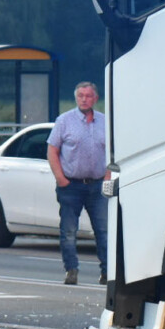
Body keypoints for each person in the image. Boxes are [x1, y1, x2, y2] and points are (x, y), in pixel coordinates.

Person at [47, 82, 109, 285]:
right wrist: (60, 178)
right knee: (69, 230)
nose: (84, 99)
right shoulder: (64, 121)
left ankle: (107, 272)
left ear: (95, 99)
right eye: (81, 95)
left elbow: (113, 151)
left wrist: (108, 175)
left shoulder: (105, 122)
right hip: (71, 185)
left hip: (97, 184)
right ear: (76, 98)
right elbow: (52, 151)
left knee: (103, 230)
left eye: (88, 96)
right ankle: (71, 270)